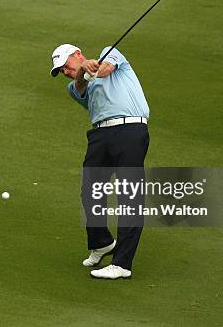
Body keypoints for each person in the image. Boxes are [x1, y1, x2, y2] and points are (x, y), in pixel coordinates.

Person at [50, 43, 150, 279]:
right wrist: (82, 70)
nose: (64, 71)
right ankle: (102, 242)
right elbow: (81, 86)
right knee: (90, 192)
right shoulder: (73, 87)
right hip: (100, 135)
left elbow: (105, 70)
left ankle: (122, 264)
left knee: (129, 195)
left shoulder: (111, 53)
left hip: (130, 129)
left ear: (77, 53)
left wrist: (91, 66)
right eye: (61, 70)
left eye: (66, 65)